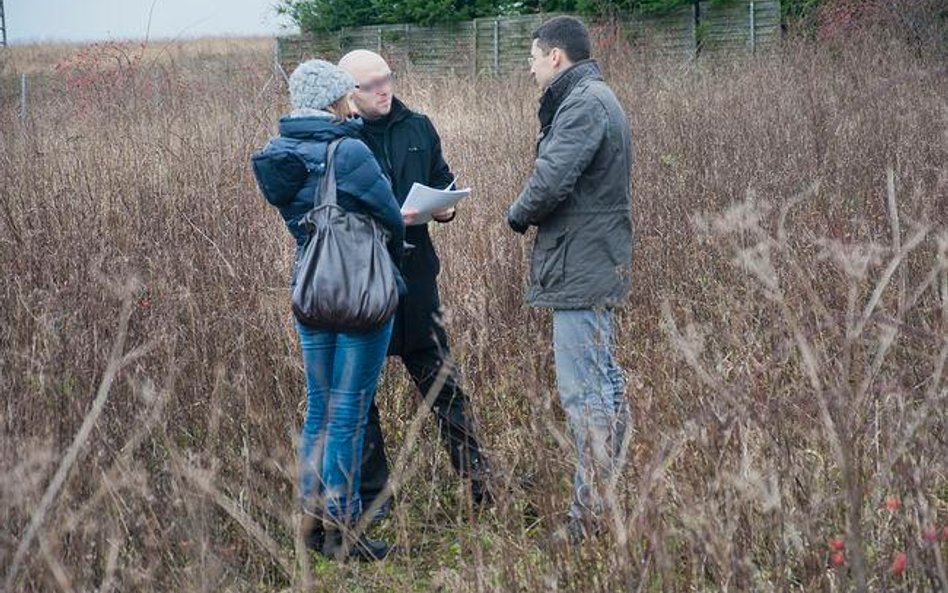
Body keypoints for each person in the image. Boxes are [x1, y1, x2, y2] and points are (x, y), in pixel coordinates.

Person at [251, 59, 406, 561]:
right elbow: (389, 214)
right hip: (360, 293)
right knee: (348, 415)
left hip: (311, 290)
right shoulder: (348, 150)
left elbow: (302, 222)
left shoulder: (277, 154)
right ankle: (345, 530)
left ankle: (310, 525)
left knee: (319, 409)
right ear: (335, 99)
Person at [337, 50, 491, 517]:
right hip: (364, 281)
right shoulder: (341, 141)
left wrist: (445, 207)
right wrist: (383, 218)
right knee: (362, 393)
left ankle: (479, 484)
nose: (384, 89)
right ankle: (376, 501)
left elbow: (443, 183)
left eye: (387, 78)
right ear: (350, 94)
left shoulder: (418, 126)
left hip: (418, 277)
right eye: (371, 84)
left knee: (443, 380)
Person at [505, 16, 633, 543]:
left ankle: (589, 522)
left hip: (582, 264)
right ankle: (609, 506)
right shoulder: (597, 96)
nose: (530, 67)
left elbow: (551, 178)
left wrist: (516, 213)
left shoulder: (582, 103)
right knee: (604, 386)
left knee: (587, 398)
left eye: (534, 57)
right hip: (591, 260)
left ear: (556, 56)